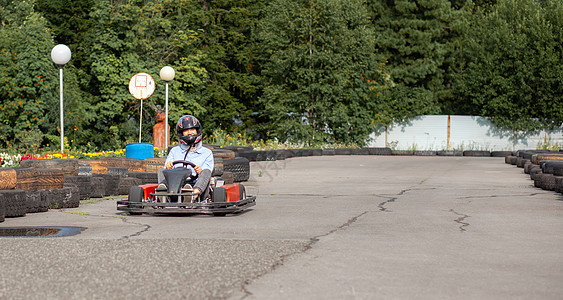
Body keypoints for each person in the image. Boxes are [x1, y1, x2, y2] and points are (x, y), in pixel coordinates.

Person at [158, 115, 214, 202]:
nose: (189, 133)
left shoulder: (206, 153)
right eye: (186, 130)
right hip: (175, 185)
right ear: (181, 133)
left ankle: (192, 196)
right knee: (162, 170)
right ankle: (163, 193)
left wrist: (200, 171)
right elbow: (166, 169)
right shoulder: (175, 151)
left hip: (197, 185)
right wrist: (168, 167)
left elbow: (208, 170)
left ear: (197, 131)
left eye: (192, 129)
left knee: (206, 172)